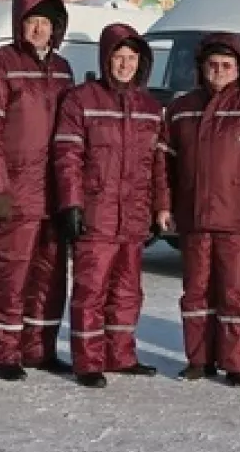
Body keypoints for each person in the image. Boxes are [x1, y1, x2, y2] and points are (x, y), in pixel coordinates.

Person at [53, 23, 171, 388]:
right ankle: (88, 361)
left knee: (127, 290)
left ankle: (120, 355)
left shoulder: (151, 108)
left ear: (142, 62)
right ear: (106, 59)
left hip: (133, 216)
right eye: (118, 58)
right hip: (96, 212)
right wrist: (71, 203)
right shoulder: (81, 99)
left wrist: (160, 207)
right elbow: (67, 155)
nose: (124, 65)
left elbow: (159, 166)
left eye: (131, 58)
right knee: (91, 289)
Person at [0, 0, 76, 380]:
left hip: (55, 190)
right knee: (10, 274)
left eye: (45, 23)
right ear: (19, 24)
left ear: (56, 28)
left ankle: (40, 349)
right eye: (31, 22)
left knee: (50, 275)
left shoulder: (63, 69)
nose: (38, 30)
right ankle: (4, 351)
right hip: (16, 189)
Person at [163, 33, 240, 386]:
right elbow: (164, 165)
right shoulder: (182, 108)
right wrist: (163, 206)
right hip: (194, 216)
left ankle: (237, 363)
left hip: (237, 218)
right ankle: (199, 359)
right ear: (202, 68)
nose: (219, 71)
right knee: (196, 290)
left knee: (234, 292)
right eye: (212, 65)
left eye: (226, 66)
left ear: (239, 69)